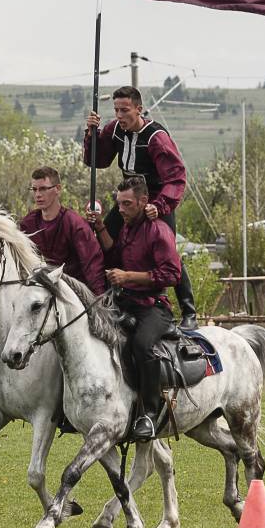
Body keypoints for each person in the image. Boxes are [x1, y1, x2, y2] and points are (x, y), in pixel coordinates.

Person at [84, 85, 198, 330]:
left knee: (169, 253)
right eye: (116, 110)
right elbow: (98, 160)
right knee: (101, 240)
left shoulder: (156, 137)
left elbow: (176, 177)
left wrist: (160, 205)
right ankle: (106, 299)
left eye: (125, 110)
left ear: (139, 109)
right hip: (129, 200)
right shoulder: (114, 130)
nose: (119, 116)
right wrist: (92, 134)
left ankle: (189, 311)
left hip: (156, 201)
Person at [87, 176, 182, 441]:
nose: (121, 210)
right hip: (125, 301)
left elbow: (172, 274)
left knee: (141, 345)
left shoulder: (159, 231)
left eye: (127, 204)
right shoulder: (128, 228)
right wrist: (100, 228)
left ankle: (150, 414)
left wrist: (128, 277)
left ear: (143, 201)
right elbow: (115, 254)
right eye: (119, 204)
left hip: (154, 308)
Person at [19, 166, 107, 295]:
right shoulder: (28, 223)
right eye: (34, 189)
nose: (37, 194)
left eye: (43, 189)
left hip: (75, 292)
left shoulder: (75, 224)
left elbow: (92, 265)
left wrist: (99, 300)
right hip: (41, 290)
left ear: (57, 189)